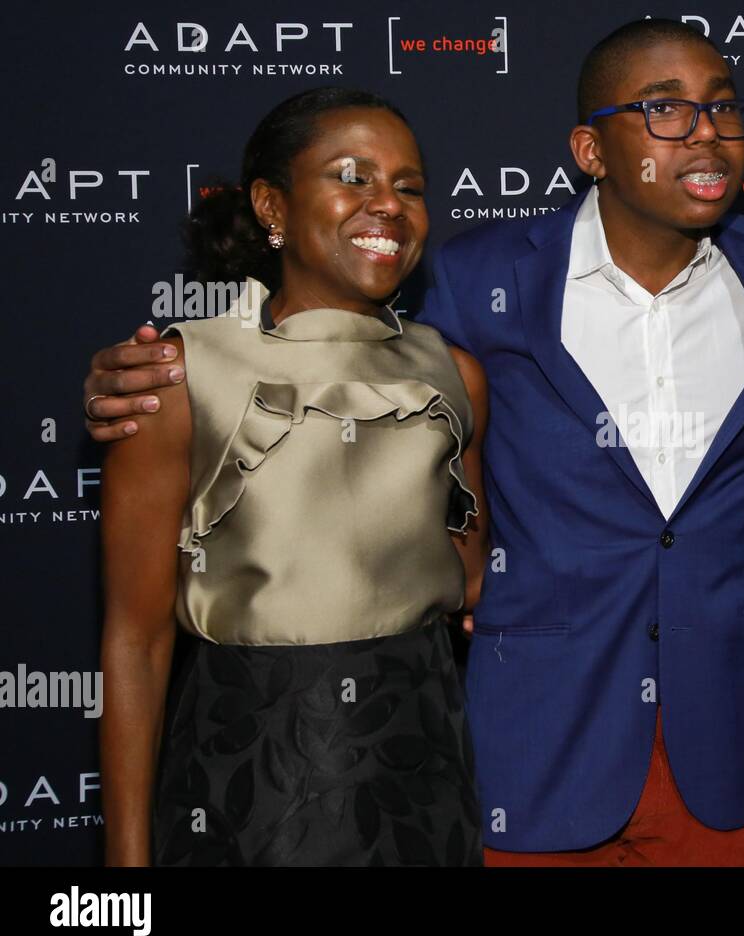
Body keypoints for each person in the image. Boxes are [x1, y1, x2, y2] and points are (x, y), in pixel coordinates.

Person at [84, 24, 744, 866]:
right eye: (666, 108)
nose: (706, 131)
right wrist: (151, 372)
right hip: (522, 748)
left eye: (723, 107)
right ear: (591, 149)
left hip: (719, 754)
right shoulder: (476, 280)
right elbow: (327, 335)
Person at [98, 87, 489, 866]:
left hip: (422, 770)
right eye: (353, 177)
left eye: (408, 187)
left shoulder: (454, 373)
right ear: (272, 205)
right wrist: (125, 876)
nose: (387, 205)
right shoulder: (178, 374)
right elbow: (135, 643)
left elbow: (468, 571)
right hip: (246, 778)